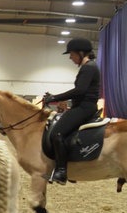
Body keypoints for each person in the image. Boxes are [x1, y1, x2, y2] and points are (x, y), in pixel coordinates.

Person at [43, 37, 100, 185]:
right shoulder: (89, 67)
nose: (70, 57)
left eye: (72, 54)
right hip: (83, 106)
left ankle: (61, 171)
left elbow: (80, 90)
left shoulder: (88, 67)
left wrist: (55, 97)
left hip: (84, 107)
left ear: (81, 53)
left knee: (57, 133)